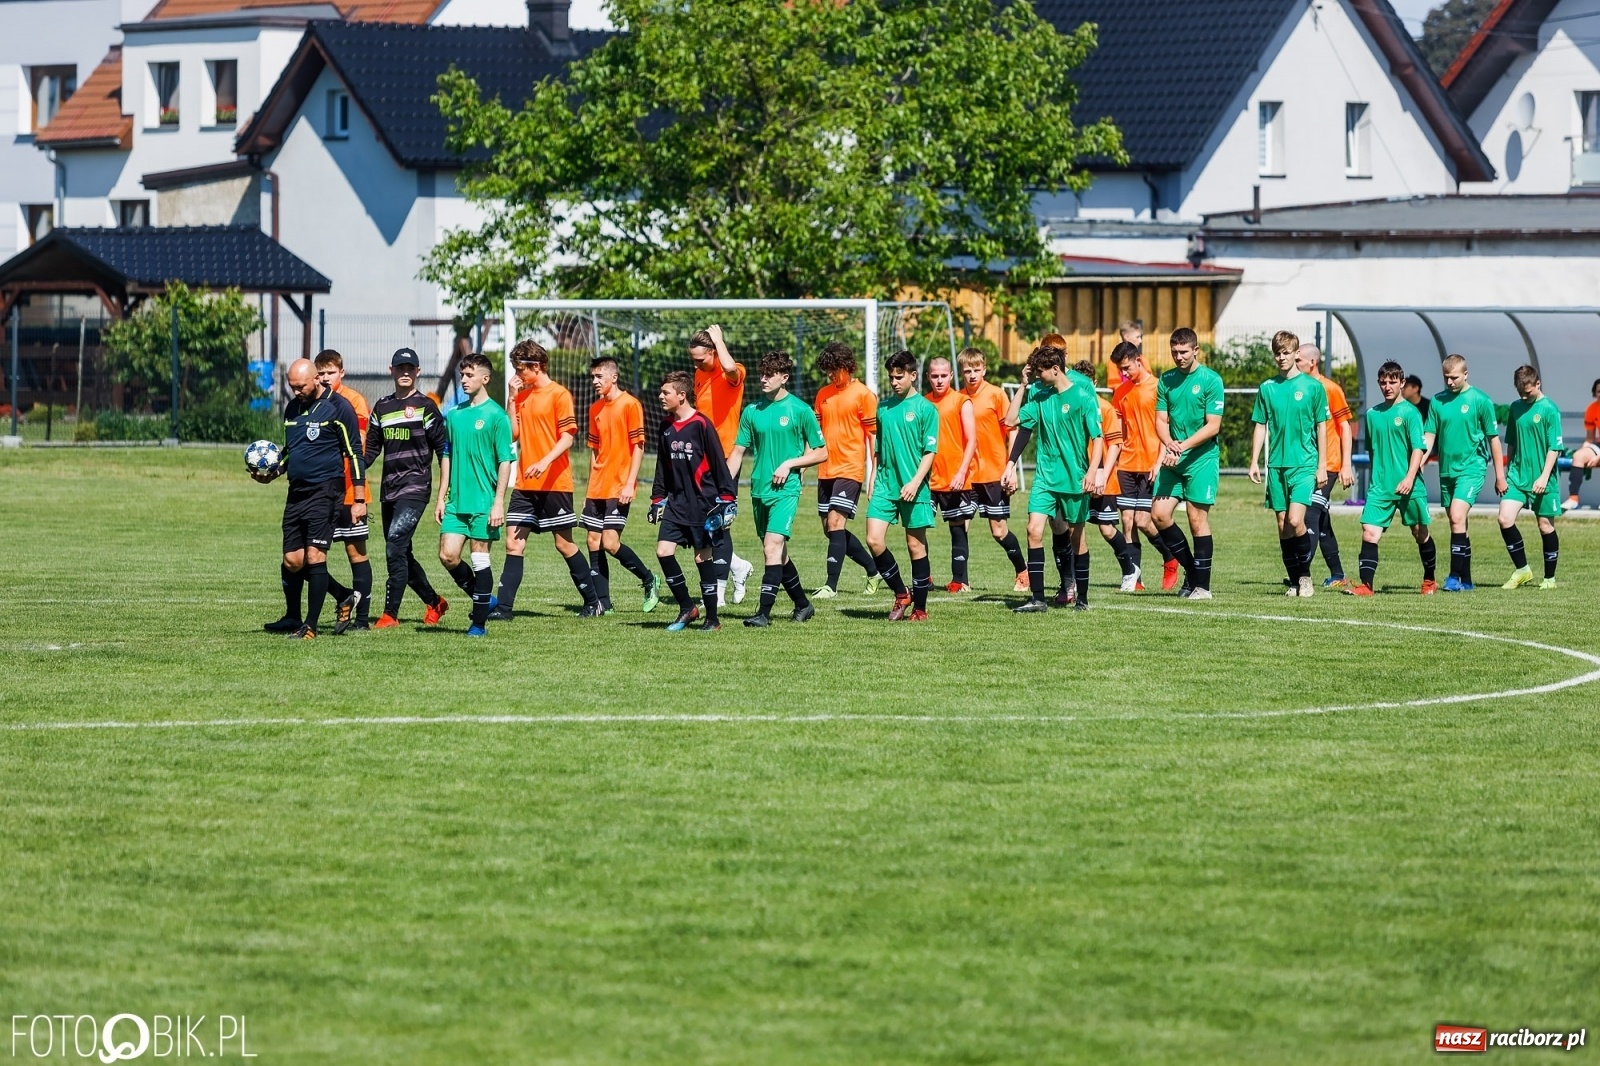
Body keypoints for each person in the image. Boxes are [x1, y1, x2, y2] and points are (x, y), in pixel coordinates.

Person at [256, 358, 366, 639]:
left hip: (326, 491)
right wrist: (274, 471)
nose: (296, 392)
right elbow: (292, 450)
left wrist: (359, 497)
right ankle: (339, 597)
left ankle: (310, 627)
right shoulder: (293, 408)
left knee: (315, 556)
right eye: (292, 387)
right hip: (297, 492)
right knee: (293, 561)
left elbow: (354, 453)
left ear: (317, 378)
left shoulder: (339, 408)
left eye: (301, 386)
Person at [497, 340, 601, 620]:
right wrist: (510, 399)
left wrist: (544, 461)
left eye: (521, 369)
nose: (517, 375)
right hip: (525, 485)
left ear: (537, 366)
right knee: (513, 543)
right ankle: (504, 610)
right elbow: (512, 435)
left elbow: (567, 436)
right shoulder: (522, 396)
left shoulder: (559, 395)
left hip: (555, 483)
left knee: (563, 544)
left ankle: (594, 602)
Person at [725, 350, 829, 626]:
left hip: (787, 490)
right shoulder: (752, 411)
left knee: (771, 547)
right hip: (759, 491)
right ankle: (803, 605)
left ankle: (763, 613)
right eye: (761, 374)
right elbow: (737, 453)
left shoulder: (800, 410)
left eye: (769, 374)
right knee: (778, 554)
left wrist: (790, 464)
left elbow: (821, 453)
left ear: (784, 377)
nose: (763, 379)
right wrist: (722, 487)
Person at [1004, 344, 1103, 612]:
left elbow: (1098, 438)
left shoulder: (1082, 396)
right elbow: (1010, 420)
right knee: (1033, 530)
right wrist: (1023, 385)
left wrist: (1094, 471)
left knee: (1077, 539)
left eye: (1039, 372)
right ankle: (1037, 599)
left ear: (1055, 369)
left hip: (1074, 479)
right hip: (1045, 479)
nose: (1037, 376)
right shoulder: (1039, 397)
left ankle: (1081, 598)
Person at [364, 348, 450, 628]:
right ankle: (435, 602)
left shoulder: (426, 406)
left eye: (409, 368)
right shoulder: (382, 407)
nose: (405, 373)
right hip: (389, 490)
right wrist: (349, 470)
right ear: (391, 370)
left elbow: (443, 452)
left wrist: (441, 494)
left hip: (415, 488)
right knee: (400, 551)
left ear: (417, 372)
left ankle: (390, 614)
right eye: (400, 368)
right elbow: (371, 451)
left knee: (394, 547)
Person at [649, 370, 738, 631]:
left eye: (666, 392)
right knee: (663, 552)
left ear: (681, 395)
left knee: (702, 559)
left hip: (704, 505)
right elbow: (661, 466)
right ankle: (687, 607)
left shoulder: (701, 424)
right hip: (676, 504)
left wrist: (727, 499)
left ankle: (712, 619)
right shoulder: (665, 426)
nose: (661, 396)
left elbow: (719, 462)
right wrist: (657, 498)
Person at [436, 353, 514, 637]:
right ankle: (485, 598)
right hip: (457, 503)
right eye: (462, 375)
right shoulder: (454, 415)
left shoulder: (497, 416)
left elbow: (505, 460)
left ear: (485, 378)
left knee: (480, 557)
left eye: (470, 375)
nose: (464, 380)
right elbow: (446, 455)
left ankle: (478, 624)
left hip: (484, 503)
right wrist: (441, 496)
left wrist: (498, 503)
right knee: (447, 555)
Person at [1250, 331, 1330, 598]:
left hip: (1305, 465)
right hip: (1277, 466)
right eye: (1277, 353)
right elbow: (1261, 425)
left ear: (1297, 354)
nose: (1281, 357)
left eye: (1286, 352)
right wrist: (1254, 461)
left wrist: (1322, 465)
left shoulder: (1313, 388)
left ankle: (1305, 577)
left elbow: (1322, 427)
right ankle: (1295, 581)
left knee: (1296, 520)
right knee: (1283, 523)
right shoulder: (1267, 388)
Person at [1346, 361, 1436, 596]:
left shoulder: (1410, 413)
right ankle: (1366, 586)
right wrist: (1376, 479)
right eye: (1383, 382)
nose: (1387, 386)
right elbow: (1373, 451)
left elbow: (1418, 448)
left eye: (1392, 382)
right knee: (1369, 532)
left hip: (1410, 484)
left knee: (1420, 532)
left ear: (1402, 383)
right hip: (1381, 486)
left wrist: (1409, 478)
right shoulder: (1373, 414)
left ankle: (1429, 580)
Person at [865, 349, 940, 621]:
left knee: (915, 546)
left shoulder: (926, 409)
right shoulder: (883, 408)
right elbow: (879, 448)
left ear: (913, 375)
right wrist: (872, 478)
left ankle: (920, 609)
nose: (894, 381)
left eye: (899, 376)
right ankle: (900, 593)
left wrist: (915, 481)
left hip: (914, 487)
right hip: (885, 485)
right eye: (891, 377)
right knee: (873, 539)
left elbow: (930, 452)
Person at [582, 355, 660, 614]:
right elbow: (595, 453)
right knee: (593, 540)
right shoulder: (594, 409)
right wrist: (589, 490)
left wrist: (629, 484)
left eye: (599, 376)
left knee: (610, 543)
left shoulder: (630, 405)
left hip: (619, 486)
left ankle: (649, 579)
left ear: (613, 377)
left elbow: (638, 447)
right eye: (592, 376)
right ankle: (603, 602)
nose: (594, 381)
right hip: (597, 488)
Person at [1152, 328, 1225, 599]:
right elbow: (1160, 420)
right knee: (1159, 514)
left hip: (1201, 460)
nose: (1178, 357)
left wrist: (1181, 446)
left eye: (1183, 352)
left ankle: (1202, 587)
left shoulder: (1211, 380)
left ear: (1196, 350)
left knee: (1197, 520)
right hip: (1174, 459)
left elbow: (1213, 426)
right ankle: (1193, 573)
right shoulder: (1166, 380)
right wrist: (1169, 442)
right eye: (1174, 352)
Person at [1422, 354, 1504, 592]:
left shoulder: (1480, 400)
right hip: (1448, 470)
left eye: (1454, 377)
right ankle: (1466, 580)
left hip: (1472, 468)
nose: (1450, 382)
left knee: (1457, 516)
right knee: (1457, 524)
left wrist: (1499, 476)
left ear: (1465, 374)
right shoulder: (1437, 402)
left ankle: (1454, 577)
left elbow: (1494, 440)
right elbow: (1429, 436)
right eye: (1446, 378)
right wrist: (1419, 461)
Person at [689, 324, 756, 604]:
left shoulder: (733, 370)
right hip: (701, 458)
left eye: (701, 358)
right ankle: (738, 566)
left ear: (714, 352)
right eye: (692, 359)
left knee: (719, 521)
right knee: (703, 523)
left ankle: (717, 591)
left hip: (727, 458)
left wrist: (719, 339)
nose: (696, 363)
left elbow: (728, 367)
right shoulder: (698, 375)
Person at [810, 340, 882, 597]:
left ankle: (830, 586)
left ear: (847, 366)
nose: (830, 374)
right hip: (825, 469)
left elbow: (874, 437)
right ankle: (873, 570)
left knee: (835, 521)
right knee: (830, 529)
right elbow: (815, 434)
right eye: (827, 370)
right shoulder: (822, 394)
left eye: (834, 369)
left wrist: (874, 474)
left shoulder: (864, 394)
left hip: (850, 469)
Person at [957, 347, 1028, 592]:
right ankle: (961, 580)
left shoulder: (996, 395)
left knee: (998, 532)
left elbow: (1013, 430)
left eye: (977, 370)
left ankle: (1022, 570)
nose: (973, 375)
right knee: (960, 525)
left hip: (994, 474)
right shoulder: (959, 398)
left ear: (984, 369)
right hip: (967, 476)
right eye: (968, 371)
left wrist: (1010, 468)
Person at [312, 349, 372, 632]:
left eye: (330, 373)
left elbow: (358, 442)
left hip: (350, 490)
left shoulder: (354, 401)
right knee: (311, 553)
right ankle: (340, 596)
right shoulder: (311, 403)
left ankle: (361, 620)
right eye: (321, 373)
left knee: (355, 553)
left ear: (341, 373)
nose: (325, 378)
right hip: (322, 491)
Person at [1110, 341, 1175, 590]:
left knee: (1144, 522)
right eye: (1120, 370)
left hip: (1151, 464)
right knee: (1127, 521)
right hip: (1127, 464)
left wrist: (1159, 461)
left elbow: (1165, 427)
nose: (1124, 373)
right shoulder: (1120, 392)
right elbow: (1119, 432)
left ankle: (1170, 557)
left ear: (1139, 360)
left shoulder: (1159, 388)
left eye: (1127, 368)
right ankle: (1134, 577)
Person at [1498, 366, 1565, 589]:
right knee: (1505, 519)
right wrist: (1506, 474)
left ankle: (1549, 579)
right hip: (1517, 477)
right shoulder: (1515, 408)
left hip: (1542, 478)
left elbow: (1554, 448)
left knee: (1545, 526)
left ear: (1538, 384)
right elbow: (1512, 442)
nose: (1524, 397)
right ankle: (1522, 570)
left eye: (1528, 392)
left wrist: (1544, 477)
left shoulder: (1549, 409)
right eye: (1520, 393)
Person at [1076, 359, 1140, 591]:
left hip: (1104, 479)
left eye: (1086, 383)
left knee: (1106, 528)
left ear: (1094, 382)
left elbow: (1115, 443)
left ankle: (1130, 570)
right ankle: (1073, 578)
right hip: (1079, 479)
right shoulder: (1073, 405)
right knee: (1075, 528)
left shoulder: (1105, 408)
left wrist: (1102, 473)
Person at [1296, 344, 1355, 589]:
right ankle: (1338, 574)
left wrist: (1346, 465)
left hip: (1328, 464)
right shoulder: (1298, 388)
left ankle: (1300, 574)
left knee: (1309, 515)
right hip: (1306, 465)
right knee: (1321, 522)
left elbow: (1345, 426)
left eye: (1298, 359)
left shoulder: (1330, 388)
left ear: (1312, 362)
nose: (1293, 362)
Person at [924, 356, 978, 591]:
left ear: (951, 376)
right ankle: (923, 577)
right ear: (927, 377)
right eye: (934, 376)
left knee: (957, 526)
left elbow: (972, 441)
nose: (939, 380)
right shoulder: (923, 403)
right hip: (926, 479)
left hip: (954, 478)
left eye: (943, 376)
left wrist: (961, 472)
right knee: (918, 527)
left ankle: (960, 579)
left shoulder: (961, 401)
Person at [1563, 377, 1600, 510]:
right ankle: (1573, 499)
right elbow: (1590, 438)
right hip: (1599, 445)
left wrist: (1598, 458)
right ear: (1595, 393)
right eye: (1599, 391)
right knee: (1578, 456)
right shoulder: (1592, 409)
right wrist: (1586, 451)